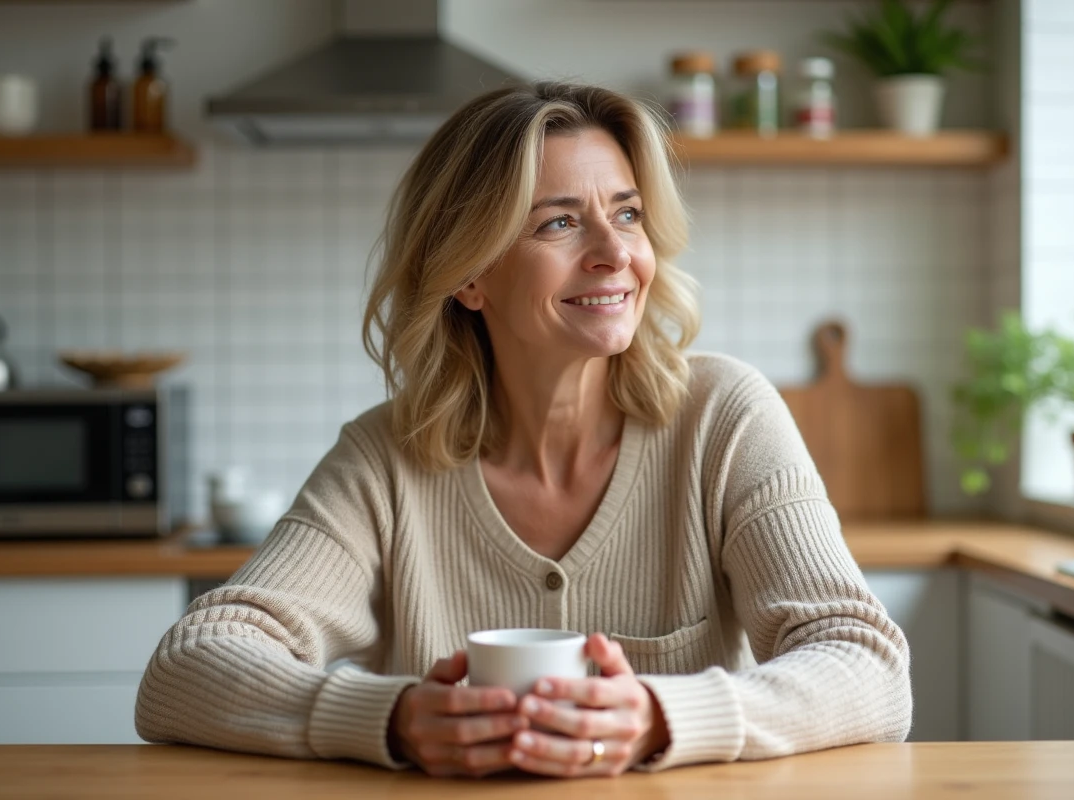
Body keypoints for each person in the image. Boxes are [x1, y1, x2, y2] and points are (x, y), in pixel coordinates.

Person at [135, 81, 912, 778]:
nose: (615, 253)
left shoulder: (725, 418)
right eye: (560, 223)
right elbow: (185, 670)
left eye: (628, 213)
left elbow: (869, 665)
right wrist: (392, 719)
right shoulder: (385, 460)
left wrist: (661, 717)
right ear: (469, 275)